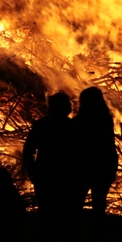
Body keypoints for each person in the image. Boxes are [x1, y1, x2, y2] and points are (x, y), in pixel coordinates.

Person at [23, 91, 75, 223]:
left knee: (46, 214)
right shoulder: (71, 127)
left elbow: (28, 150)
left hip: (45, 175)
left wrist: (32, 171)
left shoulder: (41, 125)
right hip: (62, 177)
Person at [73, 86, 118, 217]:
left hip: (83, 167)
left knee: (77, 201)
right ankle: (98, 232)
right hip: (103, 166)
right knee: (99, 203)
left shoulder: (79, 122)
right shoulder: (106, 119)